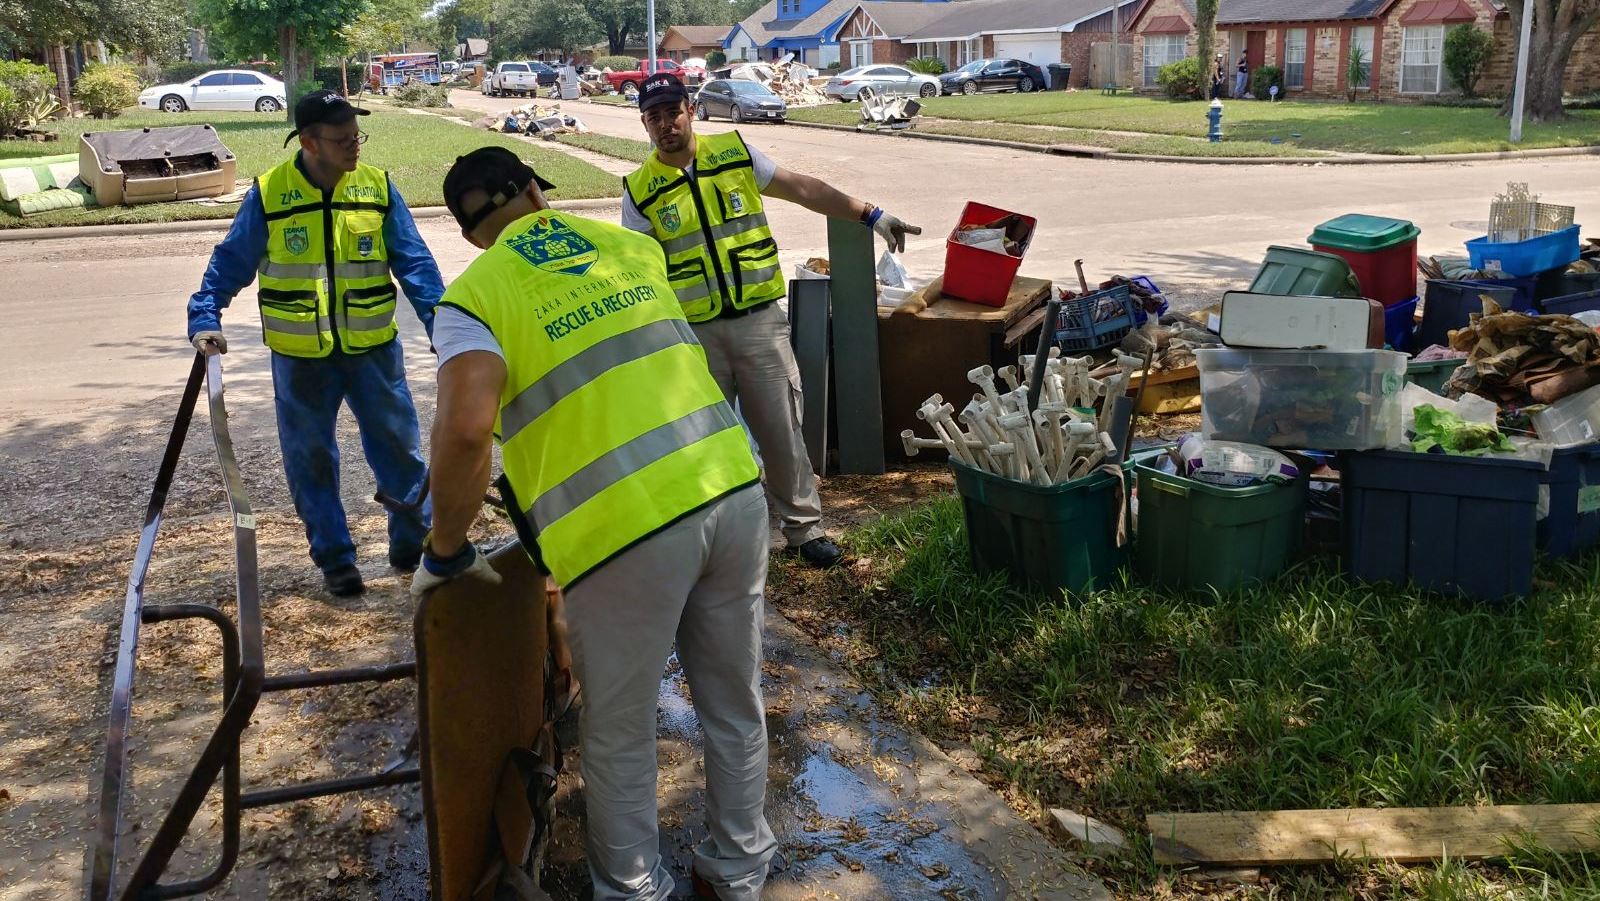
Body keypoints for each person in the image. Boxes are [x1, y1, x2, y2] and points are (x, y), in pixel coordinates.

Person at [417, 146, 775, 901]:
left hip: (625, 534)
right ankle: (738, 872)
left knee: (619, 730)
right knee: (734, 703)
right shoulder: (632, 248)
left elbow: (464, 431)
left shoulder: (475, 297)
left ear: (469, 232)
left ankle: (634, 889)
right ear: (535, 191)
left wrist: (445, 550)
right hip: (730, 489)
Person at [621, 72, 920, 570]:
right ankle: (724, 539)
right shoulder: (640, 191)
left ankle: (804, 530)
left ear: (690, 110)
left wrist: (869, 214)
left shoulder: (736, 152)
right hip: (695, 337)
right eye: (654, 117)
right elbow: (638, 268)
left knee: (781, 429)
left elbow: (803, 188)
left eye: (672, 111)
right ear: (645, 125)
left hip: (759, 323)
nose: (665, 123)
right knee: (707, 440)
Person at [186, 90, 443, 597]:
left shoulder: (377, 188)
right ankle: (336, 559)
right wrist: (204, 315)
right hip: (301, 358)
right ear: (308, 142)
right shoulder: (269, 194)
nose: (355, 147)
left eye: (358, 136)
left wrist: (445, 328)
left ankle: (411, 545)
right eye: (342, 139)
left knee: (400, 451)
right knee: (310, 459)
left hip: (373, 350)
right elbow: (230, 262)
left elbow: (416, 264)